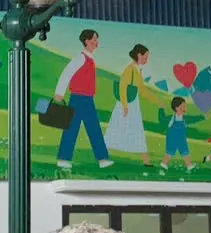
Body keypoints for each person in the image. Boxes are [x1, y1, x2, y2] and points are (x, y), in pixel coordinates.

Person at [53, 29, 113, 170]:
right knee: (72, 128)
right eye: (94, 39)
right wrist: (59, 93)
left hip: (87, 98)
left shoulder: (90, 59)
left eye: (97, 39)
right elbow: (66, 73)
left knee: (93, 127)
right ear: (86, 41)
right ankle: (63, 159)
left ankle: (102, 159)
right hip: (78, 98)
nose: (96, 42)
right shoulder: (80, 58)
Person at [105, 43, 154, 165]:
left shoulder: (137, 70)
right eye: (145, 57)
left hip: (133, 102)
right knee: (117, 130)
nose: (146, 60)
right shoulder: (130, 69)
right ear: (139, 55)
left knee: (136, 130)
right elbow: (122, 87)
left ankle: (146, 161)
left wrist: (156, 101)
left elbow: (142, 89)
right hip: (127, 103)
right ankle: (103, 155)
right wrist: (125, 106)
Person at [161, 96, 195, 172]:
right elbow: (162, 119)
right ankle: (164, 164)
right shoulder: (171, 118)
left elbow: (193, 119)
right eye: (183, 107)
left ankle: (189, 165)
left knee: (185, 152)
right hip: (172, 139)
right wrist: (161, 109)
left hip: (181, 139)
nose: (185, 109)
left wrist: (203, 117)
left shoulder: (185, 118)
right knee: (170, 152)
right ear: (176, 108)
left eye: (185, 107)